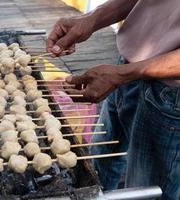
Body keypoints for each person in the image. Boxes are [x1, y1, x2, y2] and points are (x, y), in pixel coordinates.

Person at [46, 0, 180, 199]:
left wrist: (123, 75)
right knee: (100, 161)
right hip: (128, 63)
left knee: (147, 191)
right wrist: (91, 19)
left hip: (169, 95)